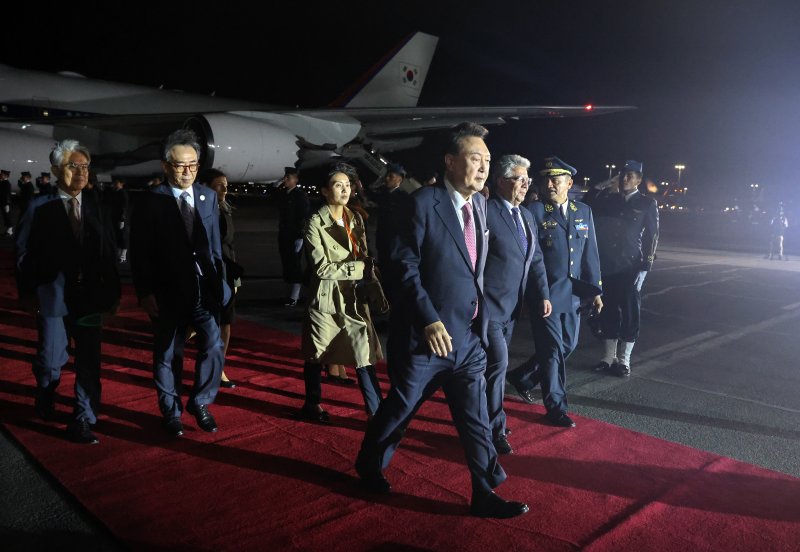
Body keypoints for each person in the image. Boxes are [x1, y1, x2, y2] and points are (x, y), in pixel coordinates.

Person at [356, 122, 528, 519]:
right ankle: (370, 462)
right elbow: (404, 268)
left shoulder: (481, 205)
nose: (483, 167)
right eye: (474, 158)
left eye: (486, 160)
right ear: (450, 162)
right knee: (401, 408)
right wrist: (429, 320)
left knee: (476, 419)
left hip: (468, 338)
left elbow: (476, 271)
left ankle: (485, 492)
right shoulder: (420, 204)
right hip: (426, 338)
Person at [15, 139, 121, 444]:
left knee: (89, 360)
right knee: (50, 359)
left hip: (89, 298)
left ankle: (83, 418)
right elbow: (23, 253)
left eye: (85, 166)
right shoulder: (39, 207)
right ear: (55, 170)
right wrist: (28, 293)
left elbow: (108, 252)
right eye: (73, 166)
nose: (81, 172)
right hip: (53, 295)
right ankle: (46, 391)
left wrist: (113, 294)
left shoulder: (98, 207)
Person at [130, 129, 230, 437]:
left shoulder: (208, 196)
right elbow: (140, 252)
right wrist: (145, 292)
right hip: (166, 293)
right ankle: (170, 412)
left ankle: (200, 401)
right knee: (167, 354)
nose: (187, 171)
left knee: (213, 344)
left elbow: (214, 248)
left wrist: (221, 285)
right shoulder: (150, 202)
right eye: (179, 165)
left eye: (193, 164)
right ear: (164, 166)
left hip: (203, 291)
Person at [507, 156, 603, 428]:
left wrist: (595, 290)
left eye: (555, 179)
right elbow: (529, 256)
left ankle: (523, 377)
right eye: (545, 179)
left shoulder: (583, 211)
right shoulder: (536, 211)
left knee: (567, 345)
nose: (549, 184)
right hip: (545, 295)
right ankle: (556, 407)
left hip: (571, 295)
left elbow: (590, 254)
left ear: (569, 183)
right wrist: (532, 293)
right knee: (551, 351)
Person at [298, 169, 384, 422]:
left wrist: (369, 277)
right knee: (317, 354)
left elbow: (363, 253)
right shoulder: (314, 222)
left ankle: (376, 411)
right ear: (325, 191)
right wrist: (359, 268)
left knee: (363, 353)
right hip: (325, 298)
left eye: (348, 185)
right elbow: (321, 268)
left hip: (353, 298)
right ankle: (312, 404)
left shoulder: (355, 217)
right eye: (338, 185)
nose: (345, 190)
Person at [483, 154, 550, 455]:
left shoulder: (527, 216)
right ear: (500, 181)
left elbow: (535, 260)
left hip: (512, 310)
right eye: (519, 179)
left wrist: (544, 294)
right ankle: (494, 428)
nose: (525, 185)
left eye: (528, 180)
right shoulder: (486, 211)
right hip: (488, 308)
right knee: (498, 366)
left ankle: (480, 417)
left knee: (486, 369)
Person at [584, 160, 659, 377]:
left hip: (631, 266)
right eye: (623, 175)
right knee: (607, 311)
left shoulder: (646, 203)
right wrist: (604, 184)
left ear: (638, 180)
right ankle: (608, 358)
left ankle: (624, 361)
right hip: (608, 264)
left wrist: (647, 264)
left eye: (630, 175)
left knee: (629, 313)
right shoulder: (609, 200)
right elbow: (587, 204)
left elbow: (652, 235)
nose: (625, 179)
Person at [201, 168, 242, 389]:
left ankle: (219, 368)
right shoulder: (198, 211)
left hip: (228, 272)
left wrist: (235, 278)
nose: (225, 189)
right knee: (208, 323)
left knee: (226, 321)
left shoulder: (225, 209)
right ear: (206, 187)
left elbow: (230, 243)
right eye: (219, 185)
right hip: (208, 274)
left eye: (226, 184)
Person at [373, 162, 410, 305]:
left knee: (394, 276)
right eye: (387, 175)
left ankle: (392, 305)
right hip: (382, 241)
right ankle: (385, 303)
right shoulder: (383, 194)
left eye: (391, 176)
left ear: (399, 179)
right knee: (384, 274)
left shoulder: (403, 198)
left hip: (396, 244)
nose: (387, 178)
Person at [276, 166, 309, 307]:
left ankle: (294, 296)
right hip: (284, 234)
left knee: (294, 264)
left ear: (295, 180)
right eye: (285, 177)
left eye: (288, 178)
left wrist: (300, 236)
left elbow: (304, 216)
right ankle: (288, 294)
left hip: (295, 235)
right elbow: (272, 199)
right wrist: (277, 186)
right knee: (287, 263)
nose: (285, 180)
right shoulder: (284, 194)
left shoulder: (300, 196)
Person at [105, 177, 130, 264]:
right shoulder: (115, 192)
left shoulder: (123, 193)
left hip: (121, 218)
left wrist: (122, 219)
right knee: (117, 236)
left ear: (121, 183)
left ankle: (123, 256)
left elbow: (124, 207)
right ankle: (119, 255)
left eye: (117, 183)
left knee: (123, 237)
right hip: (115, 217)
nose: (115, 184)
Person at [1, 169, 13, 235]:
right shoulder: (3, 182)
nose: (1, 175)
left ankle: (10, 229)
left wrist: (7, 204)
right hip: (3, 202)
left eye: (2, 174)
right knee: (5, 216)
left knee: (7, 216)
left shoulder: (6, 184)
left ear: (5, 176)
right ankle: (8, 229)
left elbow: (7, 194)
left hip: (5, 202)